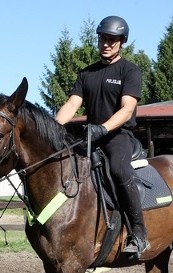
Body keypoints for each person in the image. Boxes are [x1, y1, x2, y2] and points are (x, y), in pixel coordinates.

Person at [55, 16, 148, 259]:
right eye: (103, 38)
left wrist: (103, 129)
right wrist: (53, 128)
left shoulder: (130, 71)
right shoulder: (87, 74)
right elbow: (72, 104)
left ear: (122, 42)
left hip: (117, 136)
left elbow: (127, 109)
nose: (106, 43)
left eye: (112, 40)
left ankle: (138, 232)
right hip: (90, 136)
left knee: (118, 170)